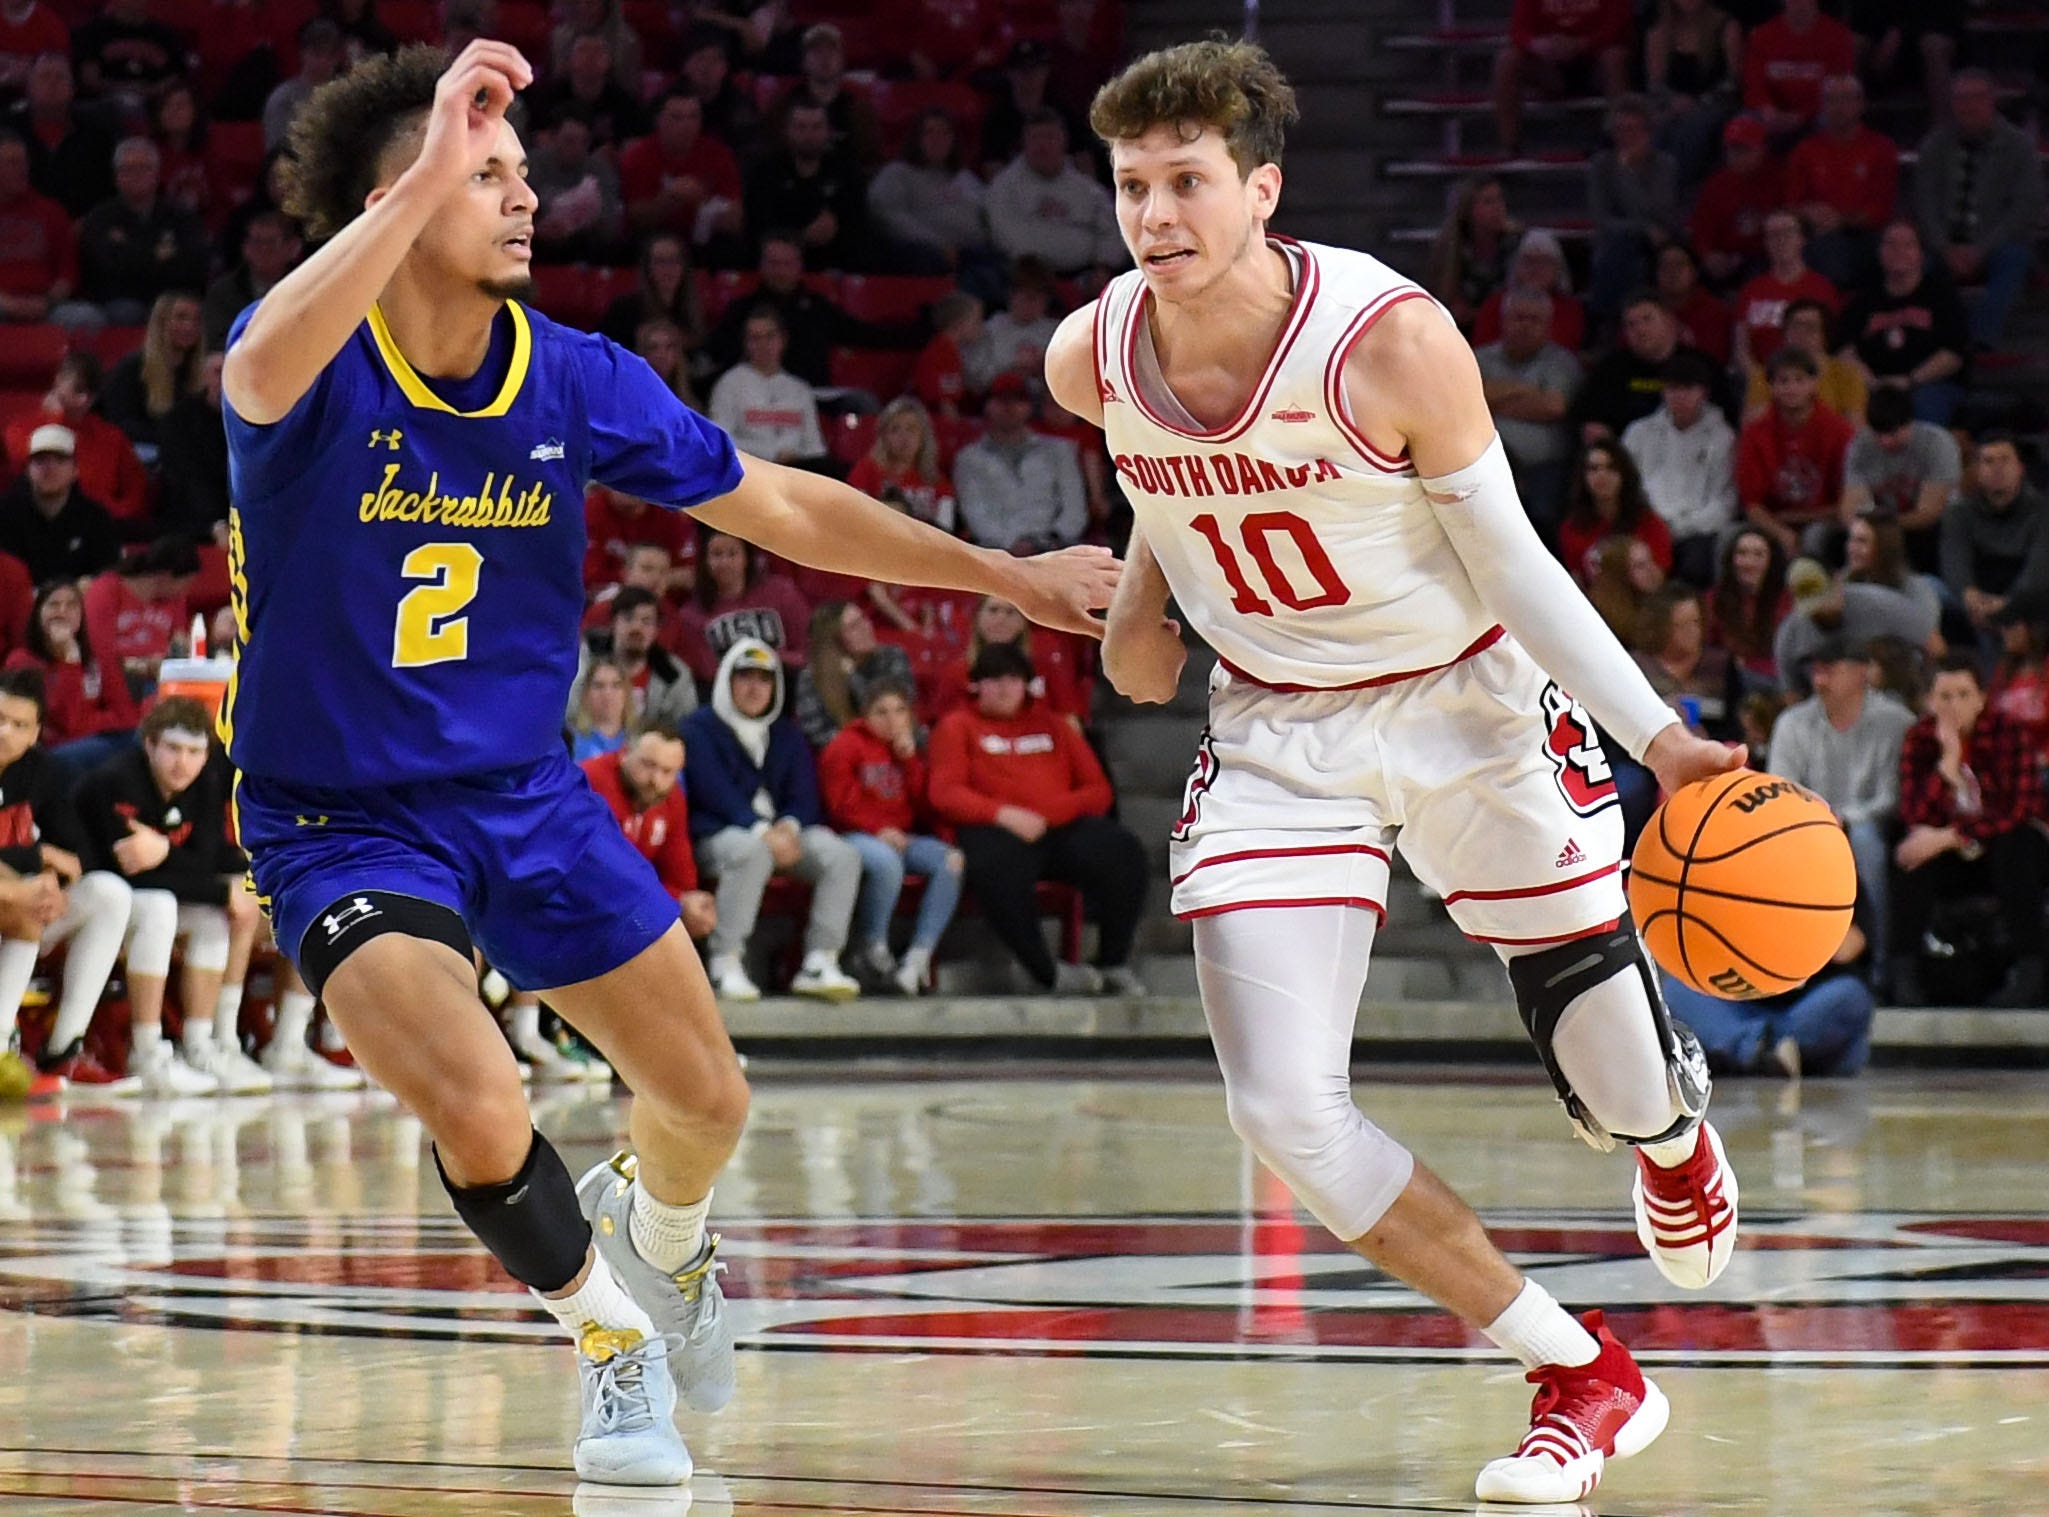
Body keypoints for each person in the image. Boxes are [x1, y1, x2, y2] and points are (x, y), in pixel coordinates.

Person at [217, 40, 1113, 1485]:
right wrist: (427, 167)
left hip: (522, 794)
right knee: (483, 1100)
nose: (522, 198)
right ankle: (607, 1339)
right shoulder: (310, 374)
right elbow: (254, 360)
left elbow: (782, 508)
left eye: (520, 174)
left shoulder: (571, 376)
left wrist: (1000, 577)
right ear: (397, 197)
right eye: (482, 175)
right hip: (338, 817)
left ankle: (668, 1243)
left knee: (708, 1100)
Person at [1055, 40, 1749, 1504]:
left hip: (1467, 701)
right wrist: (1137, 601)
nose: (1156, 215)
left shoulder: (1388, 340)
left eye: (1187, 183)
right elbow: (1154, 486)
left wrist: (1663, 740)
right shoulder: (1091, 351)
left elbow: (1512, 560)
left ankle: (1666, 1130)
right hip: (1277, 734)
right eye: (1131, 186)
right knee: (1282, 1108)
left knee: (1617, 1078)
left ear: (1263, 189)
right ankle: (1578, 1371)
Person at [75, 698, 268, 1094]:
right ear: (148, 745)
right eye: (173, 749)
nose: (183, 763)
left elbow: (207, 857)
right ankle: (147, 1052)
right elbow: (131, 873)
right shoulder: (117, 782)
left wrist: (164, 852)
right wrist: (211, 882)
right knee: (165, 906)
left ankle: (201, 1045)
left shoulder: (204, 785)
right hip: (94, 901)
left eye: (195, 752)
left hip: (141, 898)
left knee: (216, 915)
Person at [928, 642, 1143, 994]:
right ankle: (1046, 972)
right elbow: (945, 793)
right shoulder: (956, 727)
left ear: (1026, 684)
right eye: (993, 679)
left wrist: (1046, 815)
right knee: (992, 864)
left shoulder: (1055, 726)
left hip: (1056, 828)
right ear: (976, 685)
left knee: (1123, 851)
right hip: (996, 830)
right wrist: (1003, 814)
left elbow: (1098, 791)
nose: (1003, 687)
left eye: (1013, 679)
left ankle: (1113, 963)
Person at [682, 639, 863, 1003]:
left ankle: (819, 960)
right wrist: (764, 832)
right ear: (726, 681)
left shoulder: (786, 732)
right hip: (717, 834)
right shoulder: (697, 728)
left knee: (841, 855)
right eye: (744, 677)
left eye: (764, 680)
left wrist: (790, 827)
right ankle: (724, 963)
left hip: (781, 835)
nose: (754, 688)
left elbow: (805, 796)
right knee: (751, 852)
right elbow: (713, 791)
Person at [0, 667, 138, 1096]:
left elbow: (78, 855)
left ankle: (64, 1051)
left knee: (108, 895)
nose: (4, 732)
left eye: (18, 724)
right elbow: (49, 852)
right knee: (25, 905)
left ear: (35, 733)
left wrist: (51, 884)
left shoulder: (42, 772)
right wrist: (38, 857)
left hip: (18, 908)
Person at [1892, 654, 2047, 1007]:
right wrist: (1946, 766)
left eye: (1963, 695)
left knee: (2018, 844)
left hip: (2004, 849)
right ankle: (1904, 970)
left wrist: (1951, 835)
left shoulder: (2009, 733)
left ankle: (2031, 969)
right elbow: (1914, 812)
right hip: (1952, 859)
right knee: (1908, 853)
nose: (1954, 705)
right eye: (1944, 696)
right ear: (1930, 701)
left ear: (1981, 698)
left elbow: (2019, 810)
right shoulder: (1919, 739)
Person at [1768, 634, 1914, 985]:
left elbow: (1893, 796)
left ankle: (1882, 965)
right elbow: (1777, 792)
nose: (1819, 681)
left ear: (1862, 672)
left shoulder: (1897, 722)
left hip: (1874, 825)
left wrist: (1845, 819)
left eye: (1830, 671)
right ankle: (1792, 968)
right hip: (1806, 828)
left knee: (1864, 842)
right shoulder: (1792, 724)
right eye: (1815, 672)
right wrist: (1818, 820)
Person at [818, 678, 962, 995]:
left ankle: (918, 958)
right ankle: (873, 945)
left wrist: (910, 761)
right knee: (887, 862)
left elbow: (927, 804)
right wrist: (877, 830)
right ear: (865, 714)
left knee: (950, 861)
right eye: (881, 711)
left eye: (899, 711)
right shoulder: (845, 745)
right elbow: (840, 804)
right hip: (855, 835)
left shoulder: (911, 748)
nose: (892, 720)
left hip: (903, 836)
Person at [1912, 70, 2043, 348]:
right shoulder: (1934, 146)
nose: (1968, 105)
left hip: (1998, 245)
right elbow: (1924, 205)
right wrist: (1945, 247)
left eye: (1976, 97)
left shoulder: (2020, 147)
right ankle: (1928, 343)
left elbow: (2024, 210)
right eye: (1961, 98)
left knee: (2015, 259)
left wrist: (1980, 249)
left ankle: (1978, 341)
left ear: (1991, 101)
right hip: (1943, 247)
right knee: (1912, 266)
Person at [1656, 928, 1874, 1078]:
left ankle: (1748, 1051)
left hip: (1805, 1007)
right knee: (1677, 988)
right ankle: (1763, 1051)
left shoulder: (1830, 875)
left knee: (1852, 995)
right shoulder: (1729, 875)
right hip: (1737, 1006)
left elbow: (1850, 946)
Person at [581, 723, 718, 944]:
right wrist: (675, 901)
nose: (656, 780)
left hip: (631, 911)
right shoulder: (590, 782)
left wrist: (688, 903)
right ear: (625, 753)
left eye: (667, 771)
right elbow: (601, 874)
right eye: (648, 765)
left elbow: (681, 876)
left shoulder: (672, 798)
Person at [1621, 350, 1736, 586]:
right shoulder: (1639, 433)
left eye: (1688, 389)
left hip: (1697, 530)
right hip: (1645, 524)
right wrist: (1652, 524)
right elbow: (1626, 486)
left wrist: (1681, 528)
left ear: (1703, 393)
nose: (1679, 396)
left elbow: (1725, 500)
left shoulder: (1723, 437)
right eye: (1673, 389)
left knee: (1694, 566)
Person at [1837, 221, 1969, 427]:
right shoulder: (1862, 300)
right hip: (1873, 386)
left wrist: (1910, 380)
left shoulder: (1942, 296)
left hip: (1929, 385)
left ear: (1921, 254)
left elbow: (1954, 353)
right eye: (1891, 244)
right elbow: (1843, 349)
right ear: (1879, 252)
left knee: (1925, 403)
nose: (1898, 251)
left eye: (1907, 245)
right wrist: (1871, 382)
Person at [1476, 286, 1580, 535]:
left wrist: (1492, 398)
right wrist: (1528, 390)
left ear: (1548, 324)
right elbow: (1465, 400)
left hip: (1544, 469)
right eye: (1518, 318)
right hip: (1485, 467)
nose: (1525, 326)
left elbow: (1554, 406)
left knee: (1542, 520)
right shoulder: (1479, 358)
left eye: (1534, 319)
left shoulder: (1562, 362)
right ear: (1503, 321)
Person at [2, 579, 138, 769]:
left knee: (139, 739)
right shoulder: (22, 660)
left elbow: (126, 716)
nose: (62, 612)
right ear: (38, 613)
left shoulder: (97, 656)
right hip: (48, 748)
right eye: (54, 605)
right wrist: (69, 661)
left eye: (72, 605)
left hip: (97, 740)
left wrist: (86, 723)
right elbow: (67, 721)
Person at [2, 353, 150, 526]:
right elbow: (29, 467)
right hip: (41, 524)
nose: (85, 400)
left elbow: (137, 488)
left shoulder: (112, 437)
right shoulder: (21, 431)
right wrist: (55, 419)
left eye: (92, 394)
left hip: (103, 525)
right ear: (59, 381)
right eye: (78, 390)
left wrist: (114, 513)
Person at [76, 137, 210, 325]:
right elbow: (106, 269)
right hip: (119, 302)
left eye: (144, 168)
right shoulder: (99, 218)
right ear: (116, 176)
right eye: (128, 169)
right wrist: (157, 256)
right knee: (126, 311)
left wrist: (132, 251)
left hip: (173, 297)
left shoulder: (181, 216)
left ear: (156, 174)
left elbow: (191, 265)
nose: (136, 175)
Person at [1736, 347, 1853, 559]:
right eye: (1783, 381)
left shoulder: (1840, 431)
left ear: (1814, 383)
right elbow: (1752, 505)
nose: (1792, 388)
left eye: (1799, 380)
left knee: (1815, 537)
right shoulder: (1754, 433)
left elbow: (1847, 502)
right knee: (1730, 536)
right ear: (1771, 386)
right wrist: (1780, 532)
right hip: (1771, 522)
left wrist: (1793, 518)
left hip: (1824, 522)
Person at [955, 373, 1088, 553]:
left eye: (1018, 399)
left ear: (1030, 407)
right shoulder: (968, 458)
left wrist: (1049, 541)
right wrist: (1011, 545)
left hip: (1056, 548)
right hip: (994, 552)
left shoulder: (1059, 450)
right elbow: (975, 512)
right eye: (1001, 400)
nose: (1009, 407)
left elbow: (1075, 509)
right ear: (987, 405)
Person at [1783, 75, 1895, 288]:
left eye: (1845, 99)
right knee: (1822, 248)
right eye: (1831, 100)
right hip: (1819, 235)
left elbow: (1881, 209)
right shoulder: (1805, 150)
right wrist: (1809, 212)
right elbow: (1792, 203)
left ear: (1861, 104)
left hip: (1867, 234)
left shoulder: (1881, 148)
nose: (1838, 107)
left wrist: (1841, 220)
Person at [985, 109, 1122, 281]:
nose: (1043, 145)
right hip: (1024, 278)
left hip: (1082, 278)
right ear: (1024, 142)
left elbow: (1110, 230)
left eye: (1049, 137)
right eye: (1036, 138)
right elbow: (1004, 235)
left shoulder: (1087, 189)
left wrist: (1103, 269)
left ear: (1063, 141)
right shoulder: (1003, 187)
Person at [1940, 433, 2049, 640]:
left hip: (2025, 600)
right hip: (1975, 599)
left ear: (2020, 468)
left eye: (2005, 460)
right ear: (1978, 471)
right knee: (1930, 589)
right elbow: (1954, 561)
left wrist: (2009, 604)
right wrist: (1969, 596)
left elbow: (2038, 570)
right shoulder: (1958, 512)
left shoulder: (2043, 511)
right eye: (1988, 461)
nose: (1997, 468)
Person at [668, 527, 812, 684]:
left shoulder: (781, 592)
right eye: (717, 554)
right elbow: (708, 672)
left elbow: (807, 650)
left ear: (747, 558)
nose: (725, 562)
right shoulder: (691, 614)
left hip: (786, 679)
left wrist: (769, 659)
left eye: (732, 553)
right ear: (705, 561)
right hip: (728, 688)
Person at [1841, 386, 1959, 575]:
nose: (1885, 441)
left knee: (1934, 535)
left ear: (1910, 423)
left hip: (1929, 530)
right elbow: (1850, 508)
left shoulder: (1937, 444)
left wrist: (1879, 526)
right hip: (1882, 528)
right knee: (1838, 538)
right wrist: (1864, 531)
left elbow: (1929, 513)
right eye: (1879, 434)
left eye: (1893, 433)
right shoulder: (1860, 446)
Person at [930, 593, 1090, 729]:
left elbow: (1070, 723)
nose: (1001, 618)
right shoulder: (956, 672)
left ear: (1024, 621)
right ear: (976, 617)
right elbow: (943, 726)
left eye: (1010, 612)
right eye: (993, 610)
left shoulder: (1046, 668)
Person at [1492, 0, 1632, 155]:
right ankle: (1510, 148)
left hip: (1596, 64)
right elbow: (1518, 31)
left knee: (1615, 57)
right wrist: (1538, 45)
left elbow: (1618, 27)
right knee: (1507, 59)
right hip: (1551, 67)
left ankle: (1622, 142)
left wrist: (1581, 44)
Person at [1586, 96, 1681, 322]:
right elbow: (1602, 218)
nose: (1625, 137)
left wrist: (1626, 174)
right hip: (1619, 241)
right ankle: (1612, 323)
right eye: (1619, 130)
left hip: (1659, 242)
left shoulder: (1664, 165)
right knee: (1619, 250)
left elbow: (1661, 212)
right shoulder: (1602, 165)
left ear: (1648, 132)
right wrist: (1642, 228)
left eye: (1632, 130)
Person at [743, 99, 866, 272]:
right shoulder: (766, 172)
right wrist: (801, 237)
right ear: (787, 130)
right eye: (801, 127)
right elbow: (758, 227)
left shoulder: (847, 172)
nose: (809, 135)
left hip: (836, 265)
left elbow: (858, 226)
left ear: (828, 131)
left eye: (816, 127)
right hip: (779, 265)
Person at [865, 108, 988, 276]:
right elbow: (889, 216)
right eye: (930, 133)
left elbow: (989, 213)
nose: (938, 139)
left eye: (945, 133)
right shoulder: (897, 173)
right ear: (917, 139)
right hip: (926, 253)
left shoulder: (966, 177)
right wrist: (938, 245)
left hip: (974, 252)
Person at [617, 90, 741, 249]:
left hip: (704, 243)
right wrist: (670, 199)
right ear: (659, 121)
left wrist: (703, 202)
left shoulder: (719, 154)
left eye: (693, 117)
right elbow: (636, 219)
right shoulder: (638, 156)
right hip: (652, 241)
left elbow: (735, 221)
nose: (686, 125)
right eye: (677, 117)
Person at [0, 425, 124, 585]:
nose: (49, 468)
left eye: (60, 460)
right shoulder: (5, 514)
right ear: (27, 470)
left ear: (75, 470)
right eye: (40, 461)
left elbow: (108, 574)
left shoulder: (96, 517)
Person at [0, 126, 96, 332]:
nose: (23, 169)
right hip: (2, 304)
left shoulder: (50, 210)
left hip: (46, 304)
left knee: (87, 317)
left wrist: (47, 302)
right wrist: (7, 304)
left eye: (24, 161)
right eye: (12, 162)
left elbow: (68, 272)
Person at [707, 306, 825, 468]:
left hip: (796, 475)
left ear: (782, 340)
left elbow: (814, 447)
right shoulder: (729, 384)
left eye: (770, 337)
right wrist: (773, 453)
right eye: (755, 338)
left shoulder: (799, 389)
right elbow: (721, 440)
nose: (763, 345)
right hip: (750, 474)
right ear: (746, 343)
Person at [1641, 0, 1742, 183]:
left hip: (1716, 102)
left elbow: (1733, 81)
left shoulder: (1726, 25)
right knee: (1656, 124)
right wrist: (1673, 101)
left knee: (1694, 125)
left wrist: (1699, 102)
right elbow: (1655, 84)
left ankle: (1675, 185)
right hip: (1672, 103)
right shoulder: (1659, 31)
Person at [792, 599, 914, 748]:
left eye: (863, 618)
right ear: (834, 641)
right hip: (845, 756)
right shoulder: (811, 678)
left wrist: (853, 678)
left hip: (896, 749)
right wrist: (860, 748)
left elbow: (896, 714)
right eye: (854, 626)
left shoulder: (892, 656)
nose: (866, 627)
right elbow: (817, 734)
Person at [572, 586, 697, 730]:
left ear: (656, 630)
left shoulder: (674, 674)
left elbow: (684, 728)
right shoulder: (586, 660)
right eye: (628, 618)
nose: (636, 627)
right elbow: (570, 713)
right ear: (613, 623)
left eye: (646, 621)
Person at [1733, 211, 1836, 385]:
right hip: (1760, 380)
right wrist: (1760, 380)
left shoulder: (1821, 288)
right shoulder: (1752, 289)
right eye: (1773, 235)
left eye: (1787, 232)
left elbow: (1828, 345)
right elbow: (1741, 348)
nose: (1780, 240)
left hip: (1808, 381)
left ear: (1802, 239)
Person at [101, 291, 207, 458]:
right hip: (145, 447)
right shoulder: (132, 367)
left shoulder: (202, 372)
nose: (190, 326)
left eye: (196, 320)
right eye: (181, 318)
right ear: (161, 323)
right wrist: (170, 439)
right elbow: (121, 422)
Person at [1557, 440, 1673, 587]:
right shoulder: (1572, 528)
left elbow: (1656, 584)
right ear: (1583, 477)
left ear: (1624, 474)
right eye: (1593, 468)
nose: (1602, 475)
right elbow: (1580, 585)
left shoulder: (1650, 524)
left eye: (1611, 468)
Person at [1633, 583, 1737, 740]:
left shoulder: (1720, 665)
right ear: (1660, 628)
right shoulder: (1639, 666)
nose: (1692, 632)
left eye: (1695, 622)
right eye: (1681, 626)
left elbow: (1735, 726)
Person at [1688, 114, 1783, 286]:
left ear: (1762, 149)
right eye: (1732, 149)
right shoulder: (1716, 184)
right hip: (1725, 257)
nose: (1736, 156)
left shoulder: (1779, 178)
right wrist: (1709, 255)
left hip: (1764, 257)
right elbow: (1701, 229)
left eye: (1744, 149)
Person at [1741, 0, 1855, 141]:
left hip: (1817, 113)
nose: (1800, 5)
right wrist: (1767, 109)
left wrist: (1802, 116)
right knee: (1742, 126)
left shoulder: (1838, 36)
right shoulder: (1762, 35)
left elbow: (1839, 87)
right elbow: (1753, 84)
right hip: (1771, 113)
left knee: (1835, 119)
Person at [1741, 296, 1863, 422]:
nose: (1801, 334)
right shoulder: (1763, 375)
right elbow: (1750, 426)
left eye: (1810, 328)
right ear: (1785, 333)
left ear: (1824, 335)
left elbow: (1854, 430)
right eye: (1795, 327)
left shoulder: (1847, 374)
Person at [1425, 175, 1520, 334]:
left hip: (1508, 329)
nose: (1498, 208)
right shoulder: (1449, 249)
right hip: (1460, 331)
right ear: (1468, 209)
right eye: (1488, 202)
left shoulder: (1518, 243)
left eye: (1499, 199)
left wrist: (1478, 314)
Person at [1470, 227, 1585, 354]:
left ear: (1558, 270)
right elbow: (1481, 351)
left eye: (1545, 262)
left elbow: (1565, 352)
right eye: (1528, 261)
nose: (1536, 268)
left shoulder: (1570, 310)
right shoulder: (1494, 305)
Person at [203, 211, 303, 352]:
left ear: (293, 247)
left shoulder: (305, 287)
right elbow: (218, 341)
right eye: (256, 242)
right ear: (245, 248)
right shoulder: (223, 292)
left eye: (270, 242)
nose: (263, 249)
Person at [1653, 240, 1730, 364]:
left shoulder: (1714, 311)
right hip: (1649, 382)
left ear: (1695, 272)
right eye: (1665, 266)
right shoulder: (1644, 308)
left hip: (1696, 379)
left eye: (1679, 265)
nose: (1672, 272)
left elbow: (1715, 362)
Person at [569, 656, 631, 760]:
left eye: (616, 685)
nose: (607, 694)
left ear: (626, 692)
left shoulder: (639, 740)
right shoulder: (569, 740)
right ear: (586, 693)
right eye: (598, 686)